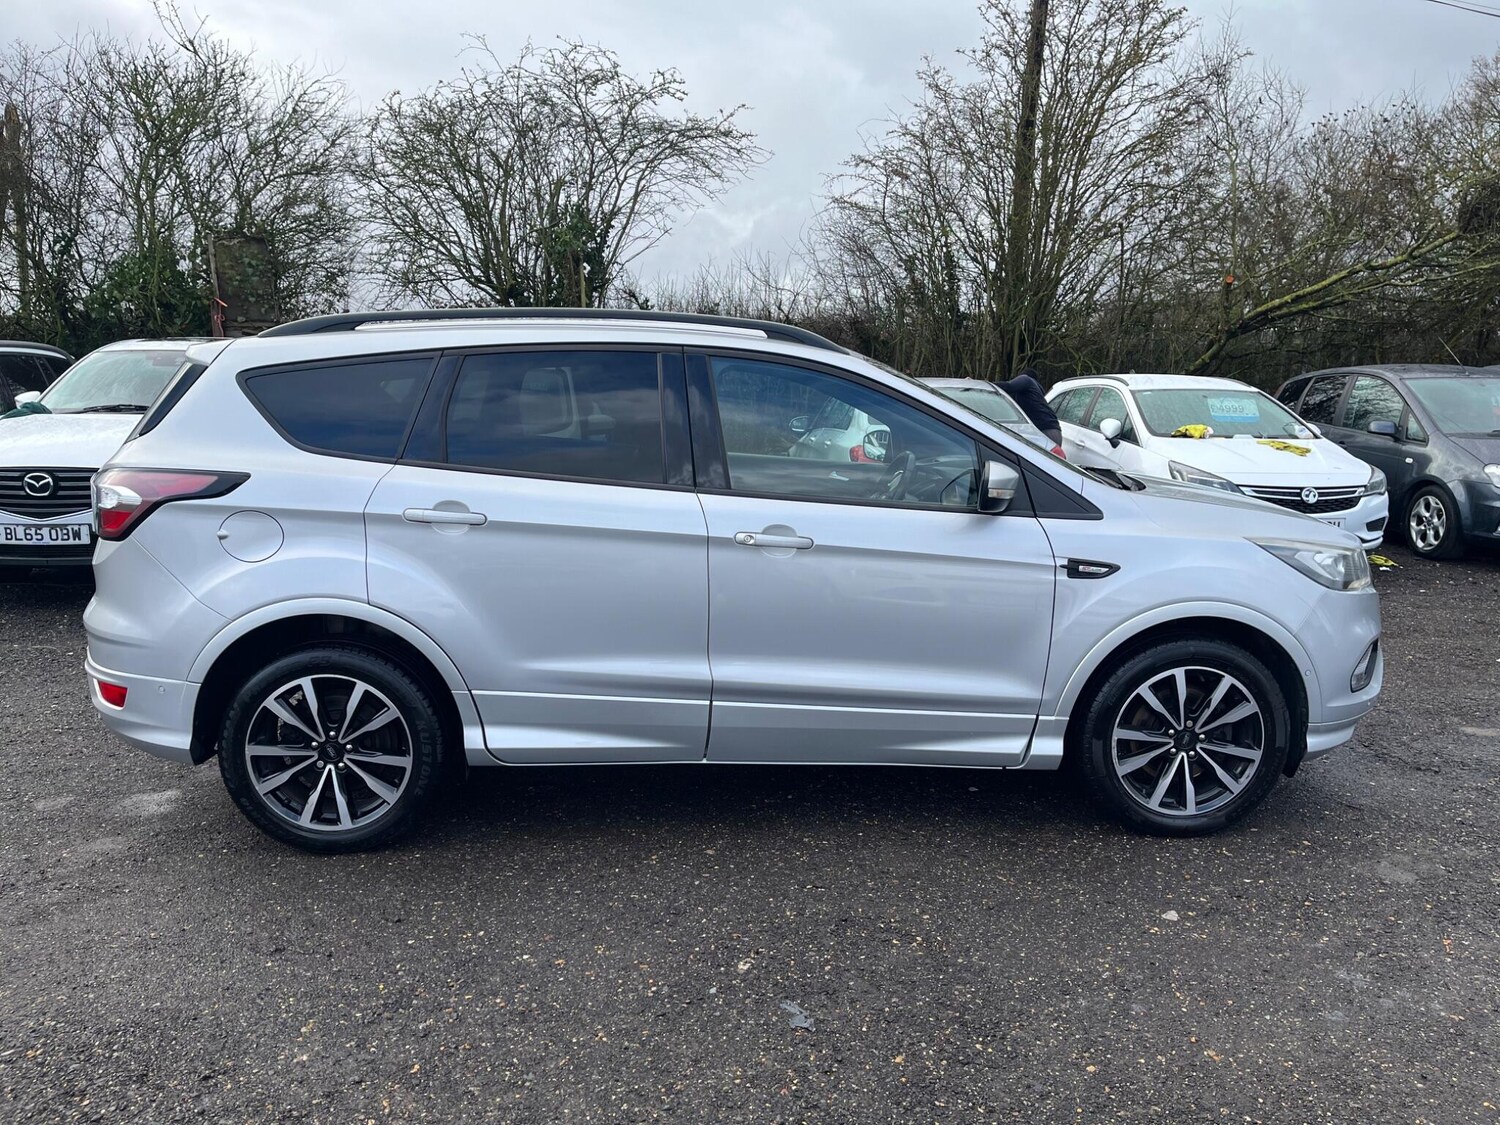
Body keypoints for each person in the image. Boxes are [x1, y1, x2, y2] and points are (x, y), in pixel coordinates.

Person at [1000, 368, 1063, 447]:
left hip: (1045, 431)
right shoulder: (1034, 394)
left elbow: (1008, 386)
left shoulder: (1027, 380)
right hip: (1054, 431)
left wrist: (987, 384)